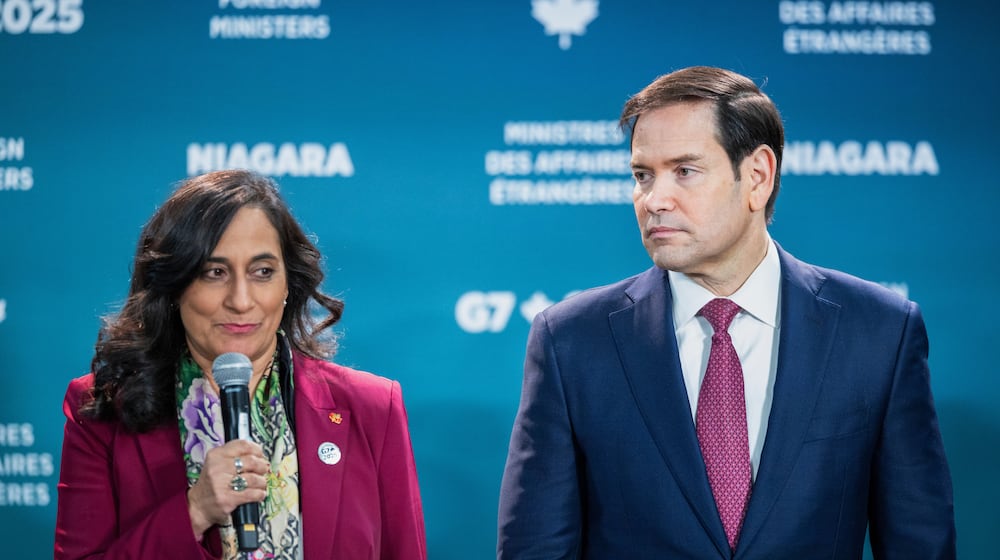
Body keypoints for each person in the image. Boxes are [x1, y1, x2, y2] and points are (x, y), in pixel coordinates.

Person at [497, 66, 955, 558]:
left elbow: (919, 544)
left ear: (757, 176)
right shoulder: (571, 341)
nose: (654, 200)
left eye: (684, 171)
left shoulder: (880, 332)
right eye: (642, 175)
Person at [55, 170, 427, 559]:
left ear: (288, 285)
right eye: (214, 273)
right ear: (174, 285)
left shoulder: (371, 406)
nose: (241, 300)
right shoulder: (101, 410)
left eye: (262, 272)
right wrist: (194, 511)